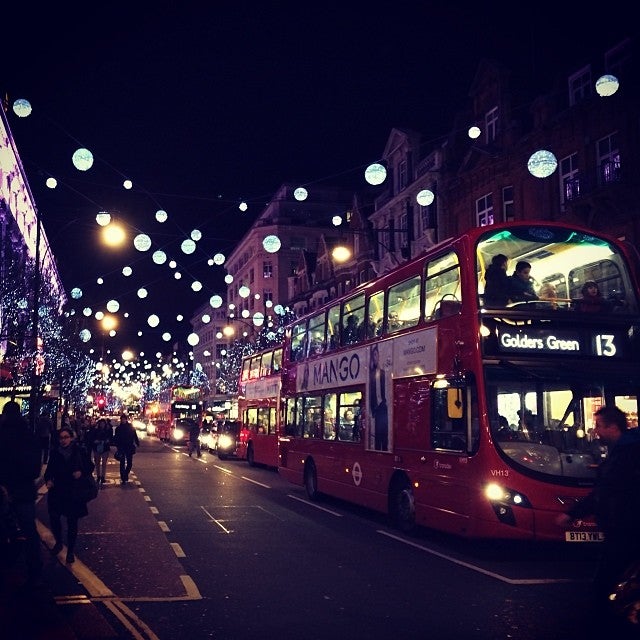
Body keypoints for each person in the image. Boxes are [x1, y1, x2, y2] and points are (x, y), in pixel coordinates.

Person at [555, 406, 640, 625]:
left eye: (599, 426)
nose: (596, 431)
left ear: (613, 427)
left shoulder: (626, 454)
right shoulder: (625, 449)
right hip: (624, 527)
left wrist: (572, 514)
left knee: (605, 583)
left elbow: (606, 491)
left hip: (625, 528)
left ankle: (606, 626)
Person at [0, 401, 43, 587]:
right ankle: (35, 572)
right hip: (24, 490)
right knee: (30, 532)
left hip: (2, 489)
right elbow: (34, 470)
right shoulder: (29, 436)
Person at [44, 427, 89, 564]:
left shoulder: (79, 451)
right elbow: (49, 471)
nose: (63, 440)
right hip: (58, 490)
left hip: (73, 491)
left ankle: (70, 551)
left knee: (72, 522)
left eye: (66, 437)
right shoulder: (55, 452)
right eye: (61, 438)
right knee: (55, 518)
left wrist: (81, 472)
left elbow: (89, 466)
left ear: (71, 438)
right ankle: (58, 542)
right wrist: (49, 480)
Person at [369, 344, 389, 451]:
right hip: (376, 408)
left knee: (384, 433)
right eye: (373, 356)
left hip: (383, 406)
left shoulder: (383, 373)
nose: (375, 357)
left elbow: (386, 388)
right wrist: (373, 409)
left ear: (379, 356)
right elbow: (371, 392)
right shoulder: (371, 374)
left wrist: (384, 402)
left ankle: (385, 450)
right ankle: (377, 453)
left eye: (376, 355)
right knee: (377, 435)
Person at [113, 413, 139, 484]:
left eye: (124, 419)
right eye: (122, 419)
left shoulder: (130, 427)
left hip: (129, 446)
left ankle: (125, 474)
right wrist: (117, 445)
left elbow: (134, 435)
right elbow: (116, 438)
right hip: (121, 447)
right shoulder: (119, 428)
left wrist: (137, 442)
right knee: (122, 463)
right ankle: (123, 477)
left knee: (129, 463)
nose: (123, 420)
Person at [86, 418, 111, 483]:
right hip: (97, 448)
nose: (102, 425)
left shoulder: (107, 431)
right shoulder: (95, 431)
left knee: (104, 463)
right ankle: (98, 476)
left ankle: (103, 476)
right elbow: (92, 439)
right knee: (97, 462)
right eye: (101, 424)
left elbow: (110, 438)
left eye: (103, 424)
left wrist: (107, 441)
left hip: (105, 448)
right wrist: (96, 441)